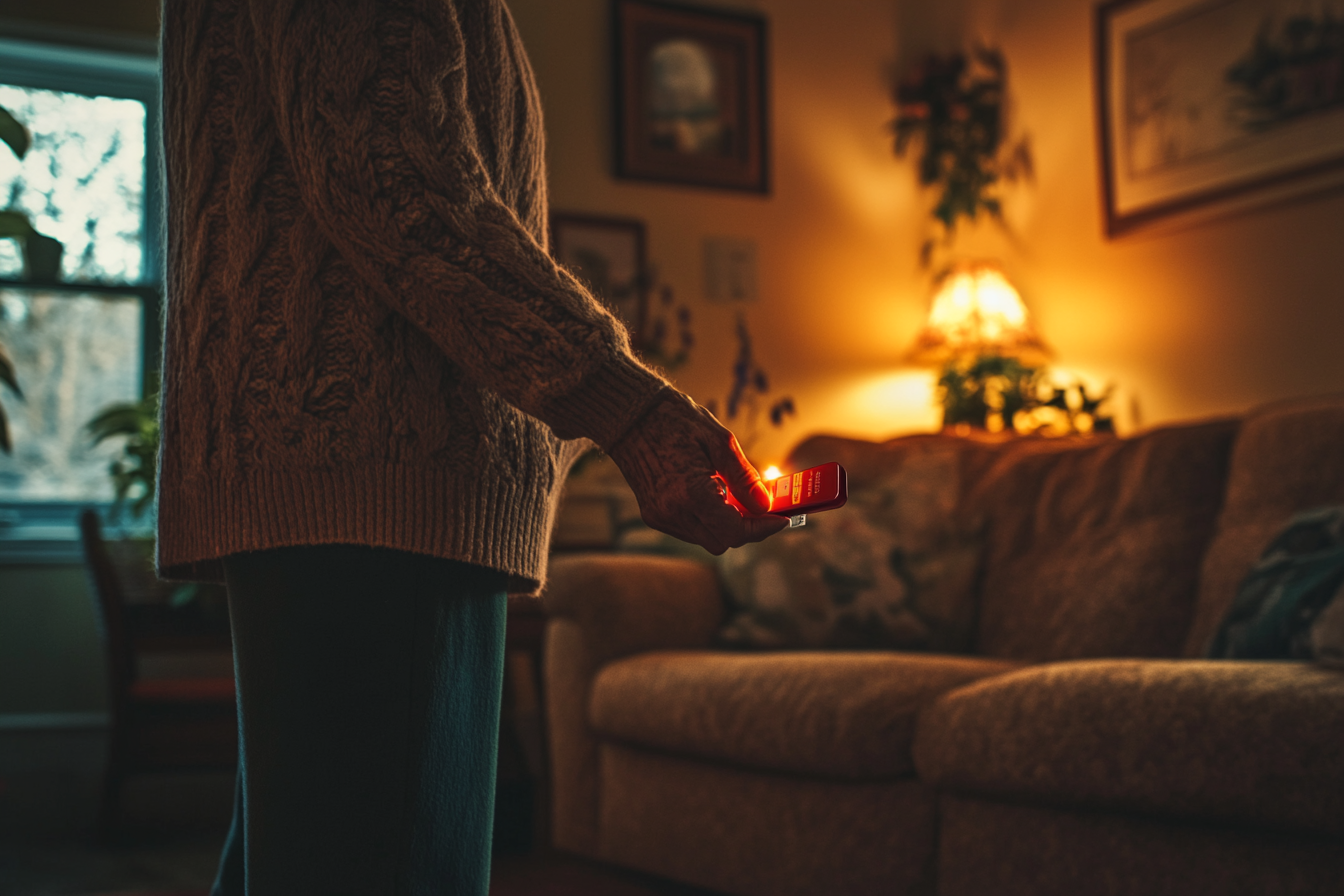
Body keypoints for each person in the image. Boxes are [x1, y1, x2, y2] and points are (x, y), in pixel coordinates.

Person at [156, 1, 787, 893]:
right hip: (380, 481)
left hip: (344, 479)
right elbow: (391, 178)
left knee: (308, 859)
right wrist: (629, 409)